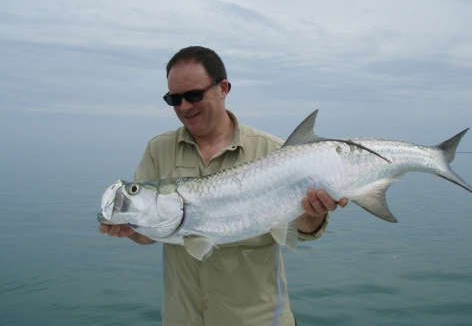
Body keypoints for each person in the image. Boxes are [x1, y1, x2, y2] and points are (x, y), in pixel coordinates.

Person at [99, 46, 348, 326]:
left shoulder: (276, 152)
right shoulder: (158, 149)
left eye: (194, 95)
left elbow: (304, 229)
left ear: (223, 89)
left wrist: (312, 213)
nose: (184, 107)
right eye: (174, 99)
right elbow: (153, 233)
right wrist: (131, 229)